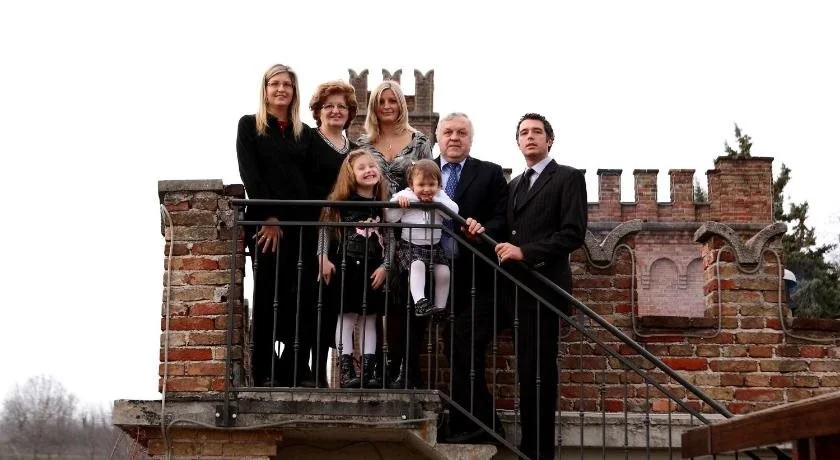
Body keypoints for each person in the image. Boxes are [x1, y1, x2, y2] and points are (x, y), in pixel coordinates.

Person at [495, 113, 588, 460]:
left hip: (545, 288)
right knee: (525, 369)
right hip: (513, 290)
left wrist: (526, 252)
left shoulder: (568, 177)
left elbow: (572, 234)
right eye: (524, 132)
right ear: (518, 142)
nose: (530, 137)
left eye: (537, 132)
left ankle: (540, 451)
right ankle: (525, 444)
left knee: (540, 372)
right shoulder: (514, 185)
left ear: (549, 140)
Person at [236, 63, 317, 387]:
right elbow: (250, 174)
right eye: (275, 84)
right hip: (266, 226)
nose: (281, 89)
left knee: (301, 295)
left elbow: (310, 179)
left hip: (301, 226)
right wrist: (269, 217)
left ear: (294, 92)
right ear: (266, 89)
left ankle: (293, 367)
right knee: (268, 294)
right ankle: (264, 369)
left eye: (287, 84)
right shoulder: (249, 125)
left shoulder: (304, 133)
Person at [431, 113, 509, 443]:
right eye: (448, 132)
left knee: (461, 341)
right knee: (458, 346)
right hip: (435, 276)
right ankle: (472, 423)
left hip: (479, 279)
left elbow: (503, 218)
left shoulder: (489, 173)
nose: (454, 137)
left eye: (461, 132)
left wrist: (483, 229)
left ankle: (477, 423)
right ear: (437, 137)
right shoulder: (424, 172)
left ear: (470, 139)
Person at [357, 80, 433, 388]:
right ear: (374, 106)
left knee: (405, 298)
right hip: (372, 229)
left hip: (410, 228)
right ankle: (375, 366)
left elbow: (430, 181)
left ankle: (403, 365)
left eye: (393, 101)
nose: (387, 106)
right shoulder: (363, 143)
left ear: (402, 105)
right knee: (375, 297)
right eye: (381, 101)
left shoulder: (419, 141)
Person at [317, 150, 390, 388]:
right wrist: (323, 258)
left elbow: (390, 239)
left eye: (372, 166)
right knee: (346, 317)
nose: (369, 170)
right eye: (362, 167)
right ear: (350, 174)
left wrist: (386, 266)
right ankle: (346, 370)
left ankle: (368, 371)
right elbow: (325, 230)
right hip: (346, 266)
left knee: (370, 318)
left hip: (373, 269)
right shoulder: (339, 203)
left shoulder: (383, 205)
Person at [307, 81, 360, 387]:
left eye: (342, 106)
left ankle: (325, 373)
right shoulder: (308, 140)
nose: (336, 111)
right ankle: (305, 371)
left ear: (350, 112)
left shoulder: (354, 151)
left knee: (332, 306)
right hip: (310, 230)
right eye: (329, 106)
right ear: (319, 111)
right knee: (309, 300)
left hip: (343, 237)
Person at [385, 159, 459, 317]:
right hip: (410, 245)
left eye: (432, 184)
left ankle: (440, 308)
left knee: (444, 272)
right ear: (412, 184)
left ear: (439, 184)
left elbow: (453, 212)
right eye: (421, 185)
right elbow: (390, 217)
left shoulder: (440, 196)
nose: (426, 189)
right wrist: (399, 204)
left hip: (434, 246)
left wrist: (435, 202)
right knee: (417, 265)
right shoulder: (405, 195)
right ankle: (420, 302)